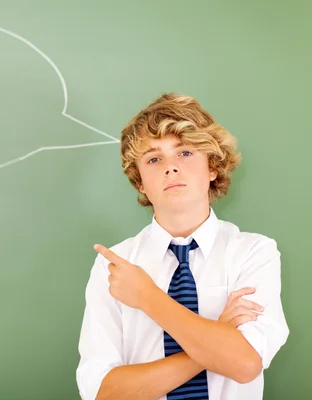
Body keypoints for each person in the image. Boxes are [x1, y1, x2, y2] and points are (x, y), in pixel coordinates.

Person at [75, 93, 289, 400]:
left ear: (212, 167)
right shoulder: (116, 266)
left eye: (185, 153)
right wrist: (215, 337)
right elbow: (104, 392)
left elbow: (243, 364)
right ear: (140, 183)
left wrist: (147, 297)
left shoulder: (254, 253)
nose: (170, 167)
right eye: (153, 159)